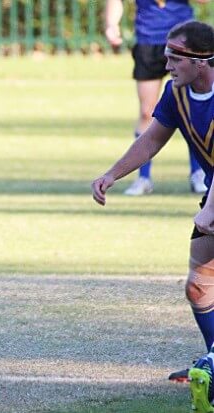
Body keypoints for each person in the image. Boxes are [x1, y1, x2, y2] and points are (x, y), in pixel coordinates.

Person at [91, 20, 214, 412]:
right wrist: (112, 174)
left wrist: (210, 210)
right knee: (199, 287)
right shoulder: (176, 93)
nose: (166, 62)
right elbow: (152, 139)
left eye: (175, 55)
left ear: (203, 61)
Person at [104, 0, 209, 196]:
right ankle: (143, 178)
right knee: (147, 111)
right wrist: (111, 25)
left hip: (185, 45)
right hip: (148, 41)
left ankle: (198, 173)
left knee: (192, 108)